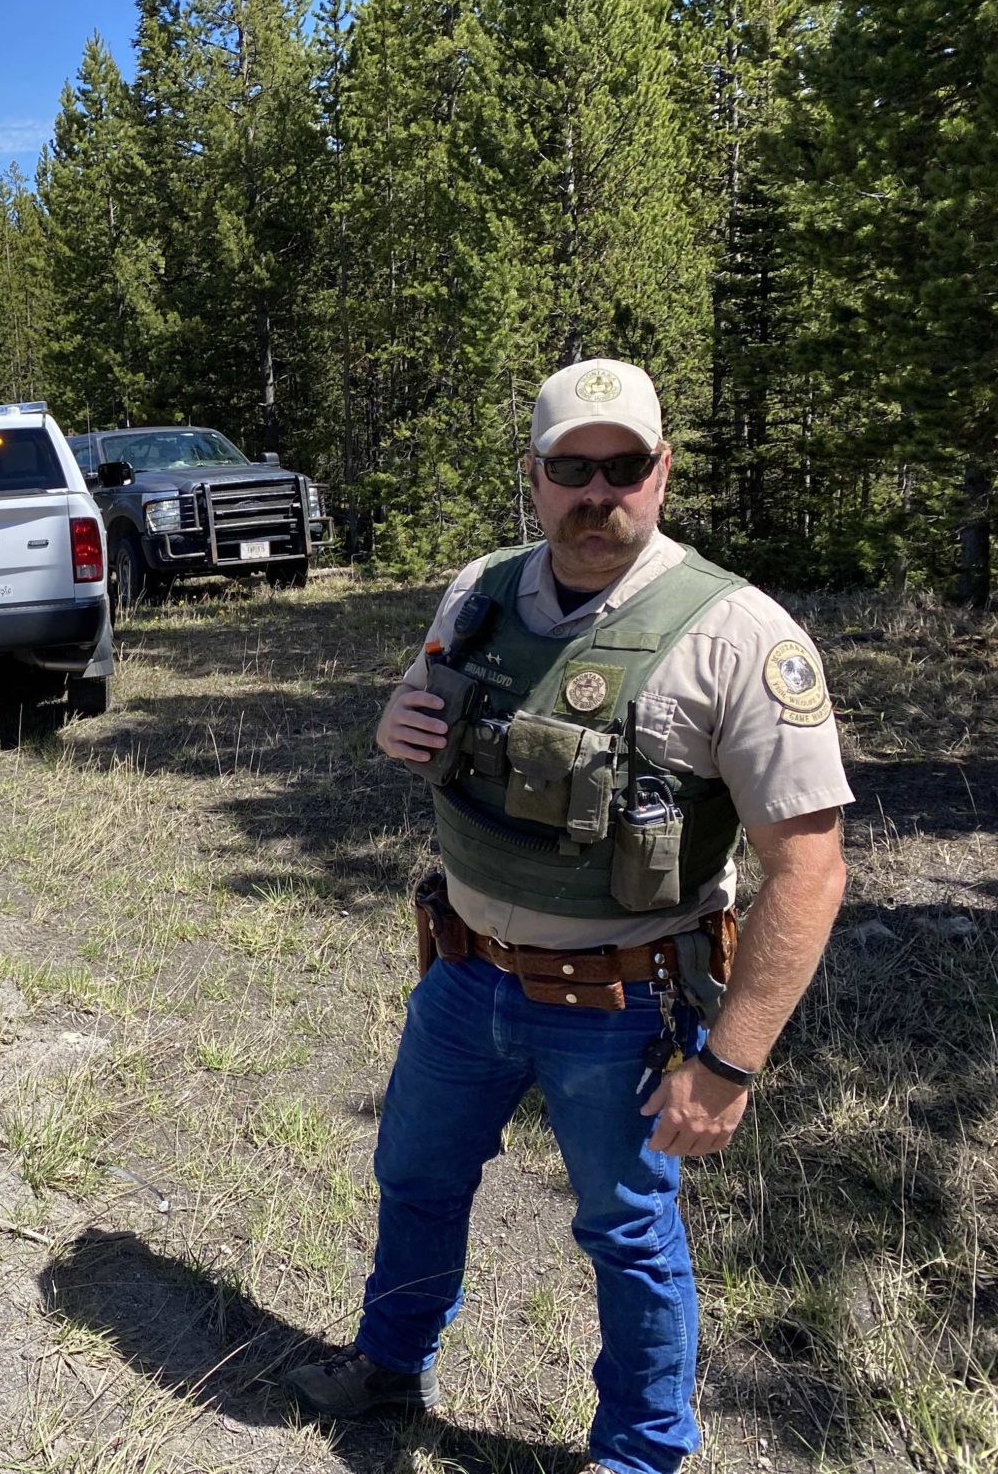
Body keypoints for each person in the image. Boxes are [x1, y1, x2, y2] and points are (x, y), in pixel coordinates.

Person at [284, 359, 850, 1474]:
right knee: (414, 1179)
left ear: (662, 473)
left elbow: (809, 869)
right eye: (571, 468)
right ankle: (390, 1367)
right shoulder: (480, 591)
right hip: (463, 973)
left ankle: (639, 1454)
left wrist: (728, 1065)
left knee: (627, 1234)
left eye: (623, 467)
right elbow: (424, 700)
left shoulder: (737, 635)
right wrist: (394, 722)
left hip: (622, 1006)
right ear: (534, 476)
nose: (598, 493)